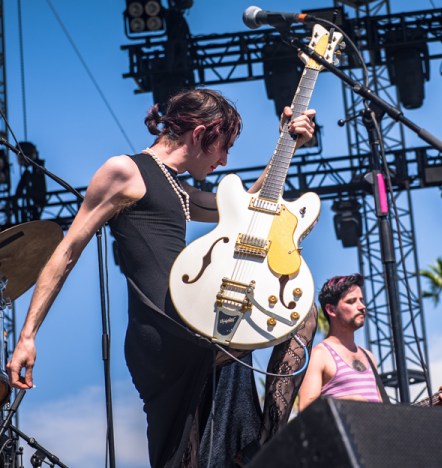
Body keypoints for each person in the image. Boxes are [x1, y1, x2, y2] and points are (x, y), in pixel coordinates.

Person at [6, 88, 318, 467]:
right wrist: (27, 337)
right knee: (299, 316)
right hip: (164, 328)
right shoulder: (124, 171)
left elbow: (247, 203)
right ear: (201, 133)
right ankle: (266, 446)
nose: (224, 160)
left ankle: (264, 446)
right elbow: (67, 252)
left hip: (193, 324)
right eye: (223, 147)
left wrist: (286, 143)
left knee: (299, 312)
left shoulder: (177, 187)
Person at [298, 273, 442, 411]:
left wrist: (432, 407)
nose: (362, 306)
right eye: (352, 301)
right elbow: (305, 408)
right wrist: (348, 402)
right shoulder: (320, 354)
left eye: (362, 300)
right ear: (331, 310)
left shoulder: (368, 356)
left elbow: (384, 413)